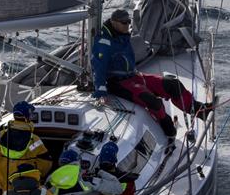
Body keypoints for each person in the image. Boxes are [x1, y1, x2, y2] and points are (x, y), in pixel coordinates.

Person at [91, 9, 214, 138]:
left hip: (134, 77)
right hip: (117, 83)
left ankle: (200, 111)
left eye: (129, 21)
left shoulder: (123, 36)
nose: (128, 25)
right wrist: (100, 91)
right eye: (124, 22)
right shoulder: (103, 42)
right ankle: (168, 129)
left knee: (173, 85)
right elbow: (98, 66)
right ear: (114, 23)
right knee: (153, 102)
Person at [0, 101, 52, 195]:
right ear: (27, 117)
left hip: (0, 184)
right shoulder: (35, 140)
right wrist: (38, 176)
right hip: (22, 187)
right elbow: (45, 163)